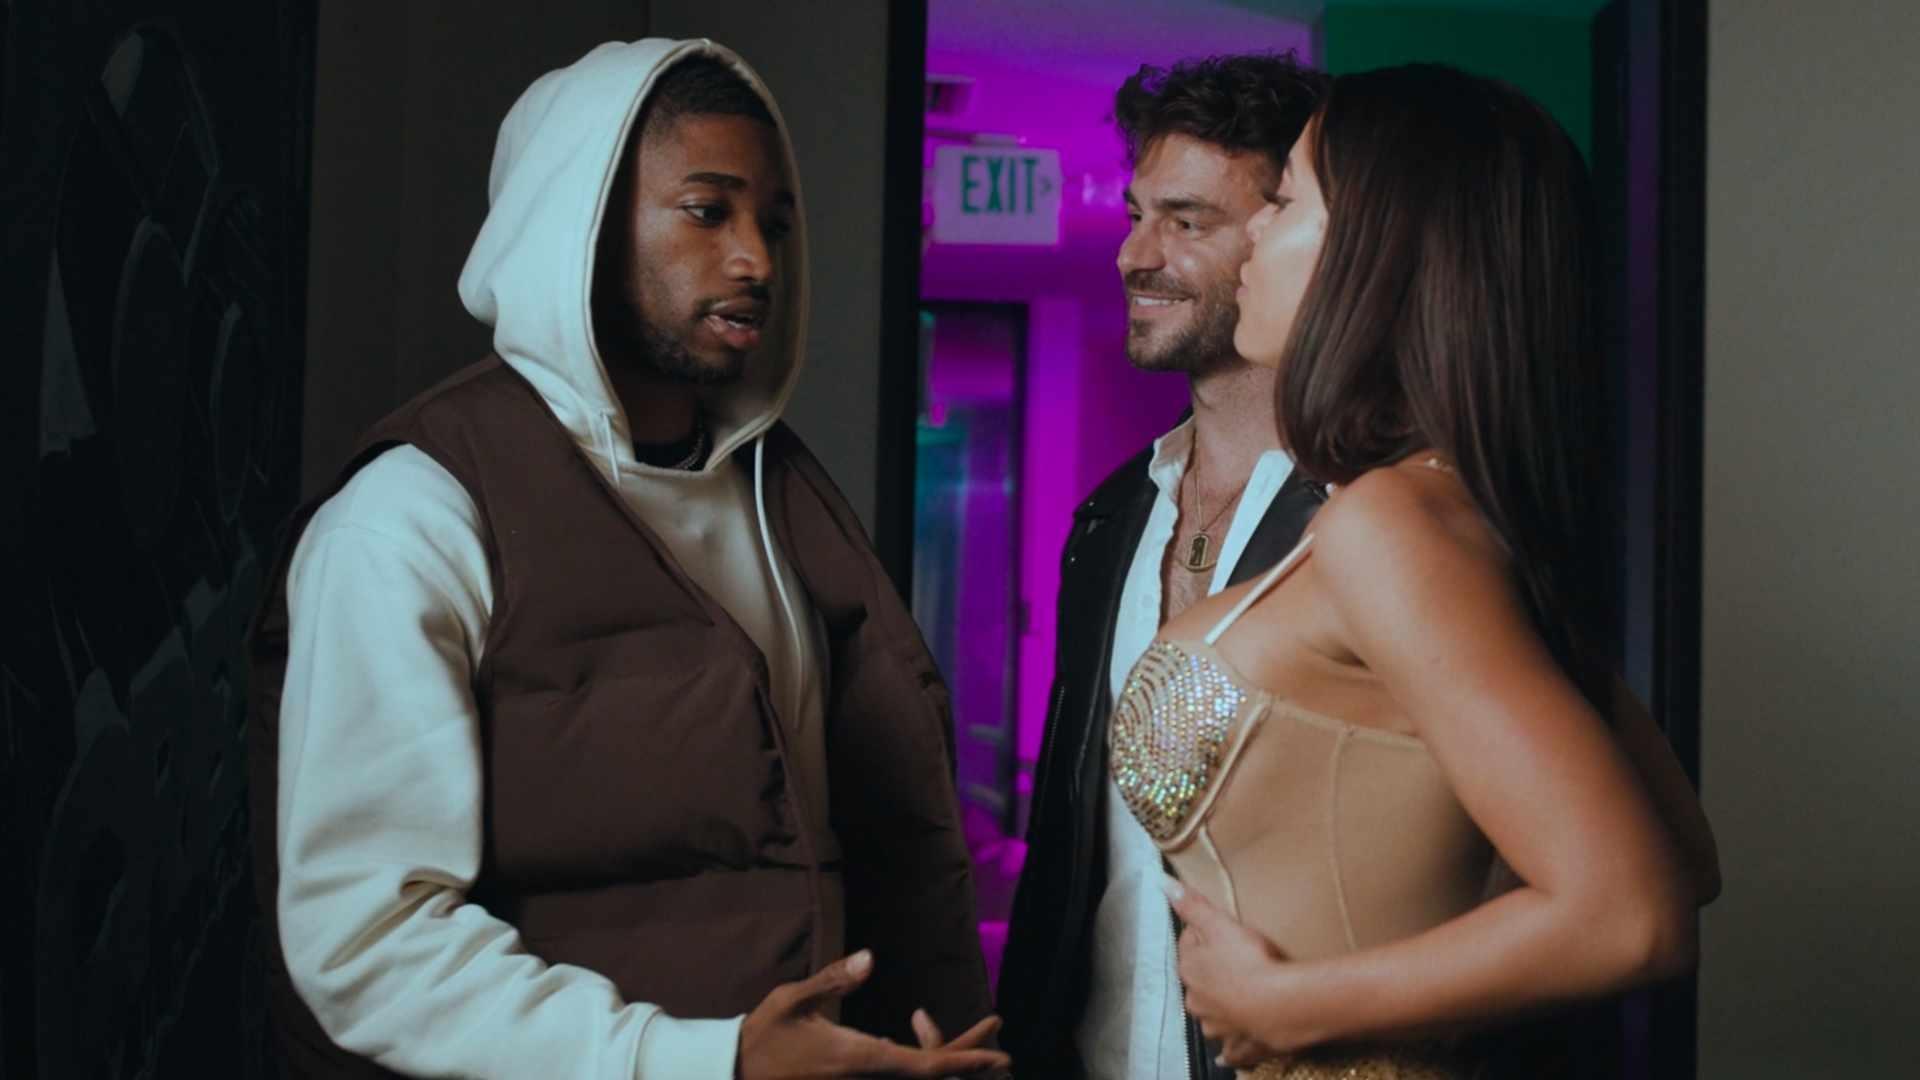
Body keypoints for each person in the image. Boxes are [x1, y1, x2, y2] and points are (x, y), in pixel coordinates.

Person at [245, 39, 1007, 1079]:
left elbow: (856, 851)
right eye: (707, 211)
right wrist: (703, 1059)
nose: (757, 261)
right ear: (578, 224)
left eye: (775, 223)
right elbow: (368, 943)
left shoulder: (783, 505)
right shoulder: (411, 518)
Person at [998, 54, 1719, 1080]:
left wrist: (1291, 1003)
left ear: (1371, 255)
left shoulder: (1389, 524)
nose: (1256, 240)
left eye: (1285, 202)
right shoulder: (1426, 505)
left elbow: (1636, 907)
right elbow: (1684, 849)